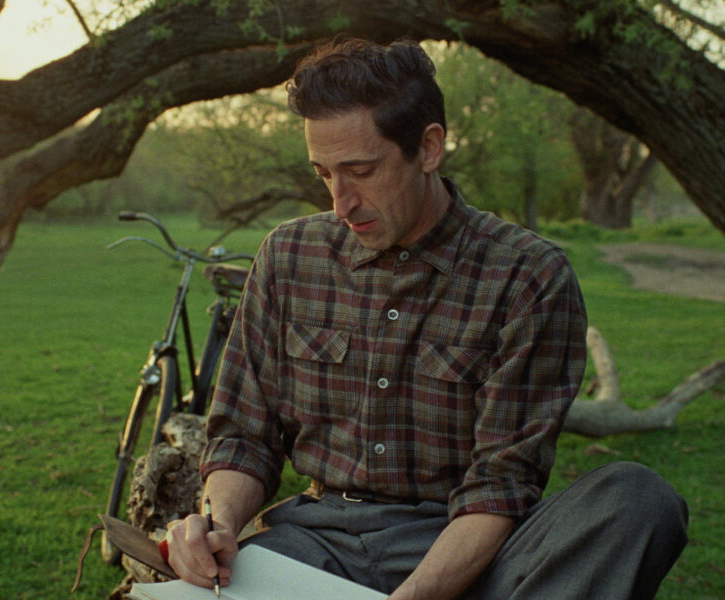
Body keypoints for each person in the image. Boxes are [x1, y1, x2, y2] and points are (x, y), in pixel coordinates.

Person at [165, 38, 688, 599]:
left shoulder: (528, 276)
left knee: (638, 500)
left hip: (471, 545)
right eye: (324, 174)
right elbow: (245, 438)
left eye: (361, 171)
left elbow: (500, 486)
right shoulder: (288, 256)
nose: (342, 203)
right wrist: (216, 524)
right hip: (318, 543)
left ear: (429, 147)